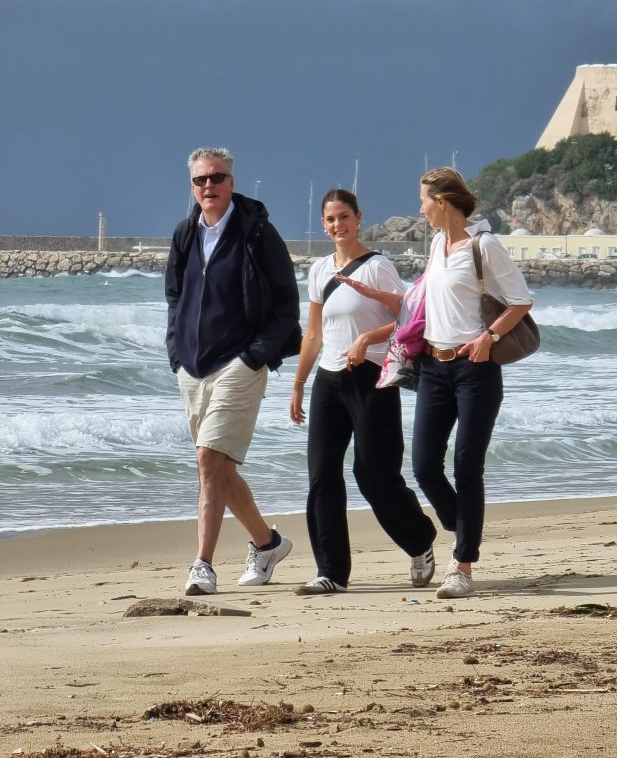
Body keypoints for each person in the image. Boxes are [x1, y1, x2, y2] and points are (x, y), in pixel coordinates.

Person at [166, 147, 301, 596]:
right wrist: (176, 352)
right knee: (217, 467)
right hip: (193, 367)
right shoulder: (185, 234)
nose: (209, 186)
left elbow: (286, 303)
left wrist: (255, 355)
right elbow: (174, 298)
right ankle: (267, 543)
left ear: (231, 182)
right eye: (201, 180)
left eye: (217, 178)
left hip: (239, 363)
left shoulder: (257, 233)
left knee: (209, 460)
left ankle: (202, 566)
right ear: (193, 186)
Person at [289, 188, 436, 595]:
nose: (338, 225)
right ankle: (331, 572)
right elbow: (314, 333)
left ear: (358, 218)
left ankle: (419, 540)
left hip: (372, 377)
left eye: (344, 217)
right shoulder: (319, 271)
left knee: (374, 474)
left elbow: (410, 319)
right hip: (328, 379)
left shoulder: (378, 267)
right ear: (324, 224)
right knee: (322, 475)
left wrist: (367, 337)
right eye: (331, 219)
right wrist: (299, 384)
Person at [413, 167, 532, 599]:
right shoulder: (436, 243)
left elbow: (520, 300)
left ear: (442, 202)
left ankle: (462, 565)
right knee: (425, 466)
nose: (421, 208)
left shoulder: (484, 246)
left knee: (467, 466)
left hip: (474, 370)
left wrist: (489, 336)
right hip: (432, 366)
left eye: (424, 200)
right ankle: (465, 527)